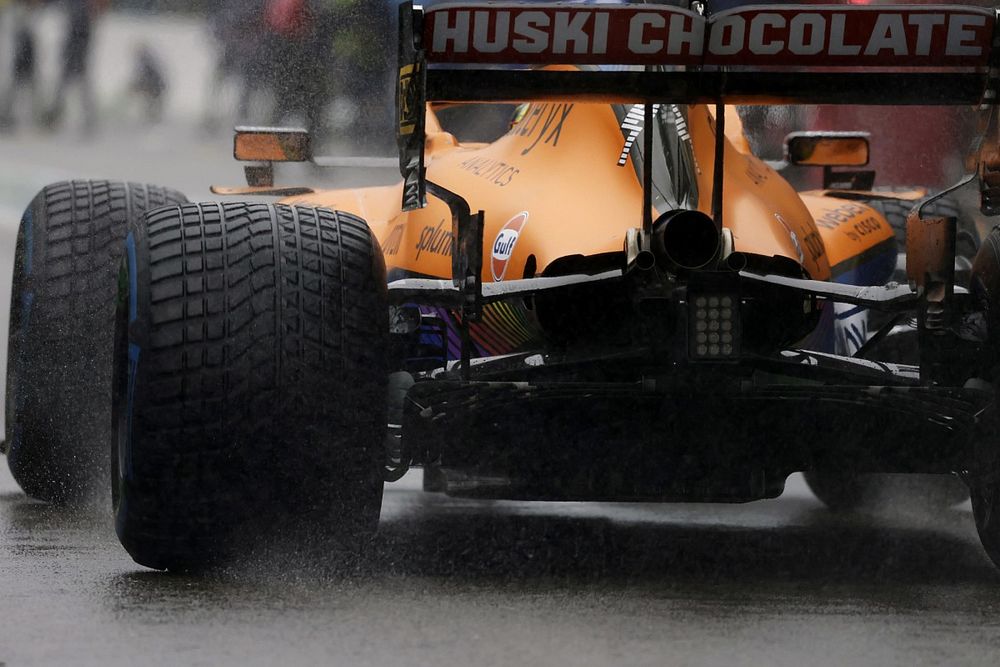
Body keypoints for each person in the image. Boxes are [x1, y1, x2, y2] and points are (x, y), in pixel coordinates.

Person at [44, 0, 107, 133]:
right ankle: (56, 118)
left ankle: (56, 119)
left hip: (75, 56)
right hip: (75, 56)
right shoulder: (79, 9)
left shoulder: (79, 9)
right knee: (73, 90)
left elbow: (77, 35)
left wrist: (72, 55)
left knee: (73, 90)